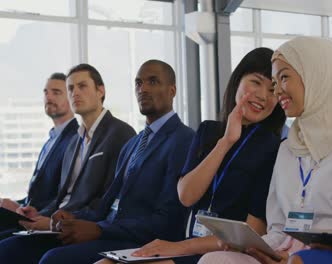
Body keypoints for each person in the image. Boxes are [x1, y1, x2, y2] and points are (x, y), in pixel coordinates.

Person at [198, 37, 332, 264]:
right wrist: (255, 248)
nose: (277, 92)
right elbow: (278, 229)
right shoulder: (288, 148)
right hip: (288, 255)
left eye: (283, 77)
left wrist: (297, 256)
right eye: (276, 82)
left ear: (316, 75)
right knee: (216, 260)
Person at [97, 47, 286, 264]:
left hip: (221, 253)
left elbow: (252, 232)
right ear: (238, 80)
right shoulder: (208, 131)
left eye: (272, 90)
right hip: (186, 243)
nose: (263, 95)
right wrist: (225, 142)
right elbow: (187, 195)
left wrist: (177, 248)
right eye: (256, 82)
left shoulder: (272, 148)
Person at [24, 60, 194, 264]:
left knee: (53, 260)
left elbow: (168, 221)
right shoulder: (133, 144)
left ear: (172, 90)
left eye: (153, 81)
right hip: (111, 232)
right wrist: (72, 217)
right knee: (13, 248)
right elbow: (105, 205)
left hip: (140, 241)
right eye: (138, 83)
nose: (143, 89)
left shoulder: (185, 140)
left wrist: (99, 229)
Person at [0, 64, 136, 263]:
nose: (75, 93)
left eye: (82, 86)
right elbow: (62, 199)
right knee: (5, 242)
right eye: (71, 88)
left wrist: (55, 222)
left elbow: (107, 200)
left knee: (8, 250)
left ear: (101, 90)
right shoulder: (74, 142)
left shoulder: (120, 133)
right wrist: (38, 214)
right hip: (58, 223)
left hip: (81, 227)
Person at [0, 73, 78, 238]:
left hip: (45, 220)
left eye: (56, 92)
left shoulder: (75, 139)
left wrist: (19, 210)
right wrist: (17, 205)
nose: (48, 97)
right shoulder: (51, 140)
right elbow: (38, 193)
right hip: (30, 214)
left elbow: (64, 195)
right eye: (45, 92)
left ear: (72, 98)